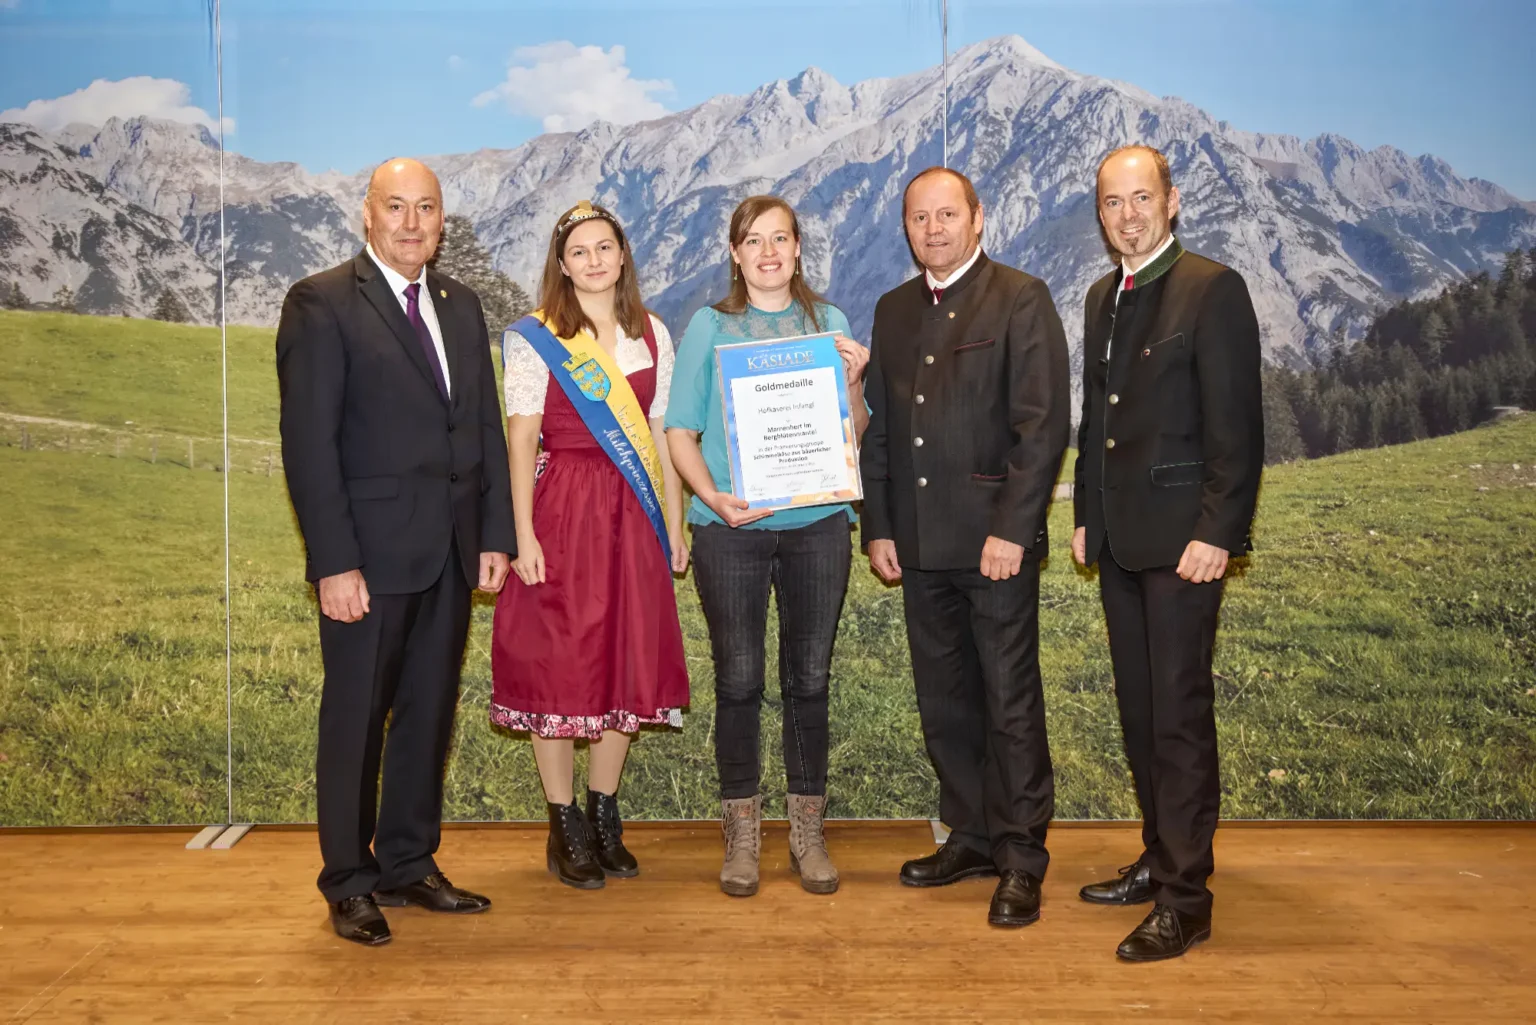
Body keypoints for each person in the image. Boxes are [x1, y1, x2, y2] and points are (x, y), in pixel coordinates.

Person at [275, 157, 515, 946]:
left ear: (442, 221)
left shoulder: (460, 303)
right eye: (396, 207)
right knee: (355, 718)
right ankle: (348, 880)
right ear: (366, 215)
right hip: (367, 560)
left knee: (427, 712)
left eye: (427, 209)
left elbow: (480, 428)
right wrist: (332, 563)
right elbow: (309, 446)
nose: (412, 223)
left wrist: (494, 536)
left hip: (449, 551)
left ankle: (408, 861)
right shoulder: (322, 303)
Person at [861, 166, 1069, 928]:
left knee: (1009, 702)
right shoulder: (892, 309)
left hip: (993, 547)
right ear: (907, 227)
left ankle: (1021, 856)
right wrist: (878, 525)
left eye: (949, 214)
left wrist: (1012, 529)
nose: (935, 228)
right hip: (916, 544)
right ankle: (971, 835)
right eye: (921, 217)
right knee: (944, 699)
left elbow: (1040, 428)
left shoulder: (1020, 297)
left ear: (979, 219)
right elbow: (882, 429)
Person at [1071, 144, 1264, 961]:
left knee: (1179, 716)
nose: (1127, 214)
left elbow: (1237, 429)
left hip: (1187, 543)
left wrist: (1218, 532)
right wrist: (1084, 512)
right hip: (1117, 539)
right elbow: (1096, 419)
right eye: (1112, 202)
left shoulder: (1214, 288)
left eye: (1141, 197)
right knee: (1141, 709)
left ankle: (1187, 898)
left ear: (1172, 200)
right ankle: (1158, 857)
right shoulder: (1098, 296)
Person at [665, 195, 870, 897]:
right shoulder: (710, 326)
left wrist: (855, 383)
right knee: (740, 680)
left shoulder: (831, 323)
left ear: (798, 248)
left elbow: (854, 433)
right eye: (753, 240)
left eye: (780, 238)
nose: (768, 252)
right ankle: (743, 833)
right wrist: (713, 497)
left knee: (810, 678)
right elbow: (680, 430)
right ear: (735, 252)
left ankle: (808, 831)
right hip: (730, 527)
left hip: (817, 524)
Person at [490, 201, 689, 890]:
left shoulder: (654, 333)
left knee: (625, 658)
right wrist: (523, 535)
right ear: (562, 263)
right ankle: (564, 821)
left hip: (633, 514)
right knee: (561, 663)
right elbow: (520, 437)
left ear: (623, 255)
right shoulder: (536, 337)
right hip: (564, 509)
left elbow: (663, 437)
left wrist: (677, 523)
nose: (595, 260)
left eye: (606, 247)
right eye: (580, 251)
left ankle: (606, 813)